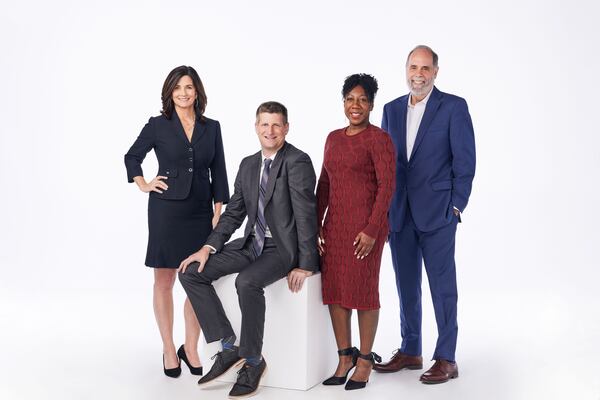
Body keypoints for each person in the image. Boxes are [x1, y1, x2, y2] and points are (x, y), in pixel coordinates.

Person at [178, 101, 319, 398]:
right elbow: (234, 213)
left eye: (276, 124)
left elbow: (307, 214)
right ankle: (229, 346)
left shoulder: (297, 161)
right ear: (256, 127)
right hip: (249, 243)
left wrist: (306, 263)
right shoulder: (248, 164)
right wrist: (207, 247)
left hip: (281, 248)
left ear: (287, 128)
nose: (270, 131)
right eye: (264, 124)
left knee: (247, 282)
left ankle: (253, 360)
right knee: (191, 272)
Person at [374, 45, 476, 384]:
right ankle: (411, 349)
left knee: (443, 288)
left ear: (435, 71)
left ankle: (446, 357)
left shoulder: (453, 107)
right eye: (413, 67)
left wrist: (456, 205)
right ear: (406, 69)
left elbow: (465, 161)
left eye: (425, 68)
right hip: (399, 214)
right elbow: (389, 165)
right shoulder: (390, 110)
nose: (419, 73)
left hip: (438, 214)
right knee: (406, 286)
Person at [124, 66, 230, 378]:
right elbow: (132, 156)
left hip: (200, 211)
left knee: (197, 280)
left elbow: (220, 170)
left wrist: (218, 209)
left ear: (198, 91)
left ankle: (191, 346)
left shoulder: (212, 127)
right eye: (177, 88)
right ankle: (169, 348)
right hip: (166, 211)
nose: (184, 93)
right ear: (170, 93)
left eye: (189, 87)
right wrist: (143, 183)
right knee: (165, 281)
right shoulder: (158, 125)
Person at [316, 74, 396, 390]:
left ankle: (365, 361)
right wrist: (314, 226)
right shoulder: (333, 138)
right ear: (343, 102)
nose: (356, 105)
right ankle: (344, 357)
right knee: (335, 291)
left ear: (372, 104)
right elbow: (324, 184)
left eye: (362, 99)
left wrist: (373, 229)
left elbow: (387, 186)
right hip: (334, 226)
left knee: (362, 292)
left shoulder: (379, 139)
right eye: (350, 98)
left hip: (366, 230)